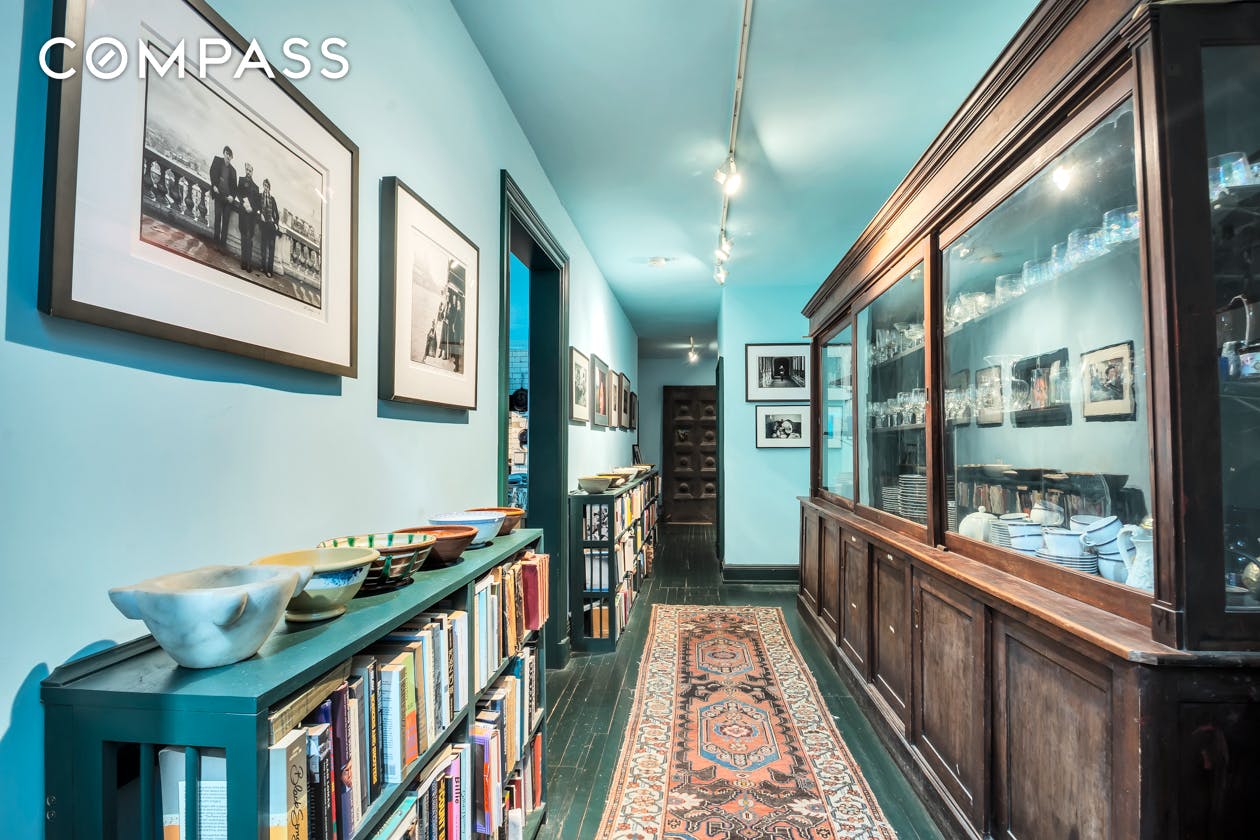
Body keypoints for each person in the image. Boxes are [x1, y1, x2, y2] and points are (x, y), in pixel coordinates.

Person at [208, 146, 236, 247]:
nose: (228, 156)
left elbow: (235, 188)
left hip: (228, 199)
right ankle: (216, 242)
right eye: (227, 154)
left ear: (232, 157)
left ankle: (222, 244)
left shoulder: (233, 171)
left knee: (225, 222)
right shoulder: (217, 161)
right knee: (217, 218)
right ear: (224, 153)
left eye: (230, 155)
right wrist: (214, 185)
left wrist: (232, 196)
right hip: (219, 196)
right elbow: (212, 172)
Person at [235, 162, 260, 272]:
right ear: (245, 170)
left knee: (249, 240)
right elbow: (238, 194)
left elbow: (258, 204)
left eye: (250, 170)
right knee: (243, 238)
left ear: (252, 172)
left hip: (251, 217)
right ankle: (243, 262)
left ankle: (249, 263)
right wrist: (244, 204)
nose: (248, 172)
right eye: (247, 170)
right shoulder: (241, 180)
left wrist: (252, 209)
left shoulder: (256, 187)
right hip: (243, 214)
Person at [258, 178, 280, 277]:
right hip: (263, 225)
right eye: (265, 186)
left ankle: (270, 271)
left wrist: (275, 223)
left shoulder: (272, 199)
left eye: (267, 186)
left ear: (269, 188)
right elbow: (257, 208)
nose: (266, 188)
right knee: (263, 247)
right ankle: (263, 267)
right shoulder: (260, 196)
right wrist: (260, 215)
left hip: (271, 226)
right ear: (263, 186)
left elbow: (277, 214)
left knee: (271, 248)